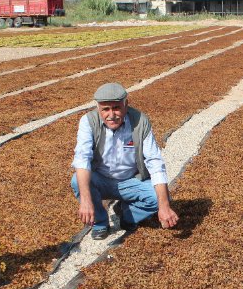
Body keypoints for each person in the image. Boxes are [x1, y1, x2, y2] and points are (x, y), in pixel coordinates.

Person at [71, 83, 179, 240]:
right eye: (105, 109)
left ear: (126, 105)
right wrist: (86, 202)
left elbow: (155, 162)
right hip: (101, 179)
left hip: (131, 181)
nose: (111, 114)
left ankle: (127, 214)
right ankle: (100, 223)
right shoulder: (88, 122)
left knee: (162, 199)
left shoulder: (140, 121)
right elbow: (82, 159)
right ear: (98, 108)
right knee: (77, 181)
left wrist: (164, 207)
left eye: (116, 108)